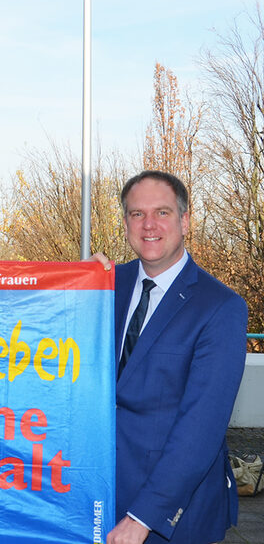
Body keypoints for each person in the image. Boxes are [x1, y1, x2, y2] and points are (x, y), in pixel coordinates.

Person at [93, 171, 248, 544]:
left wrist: (142, 517)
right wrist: (77, 283)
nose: (149, 225)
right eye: (136, 214)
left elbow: (201, 429)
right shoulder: (106, 285)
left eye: (162, 212)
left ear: (185, 220)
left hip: (171, 516)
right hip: (99, 496)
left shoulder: (221, 308)